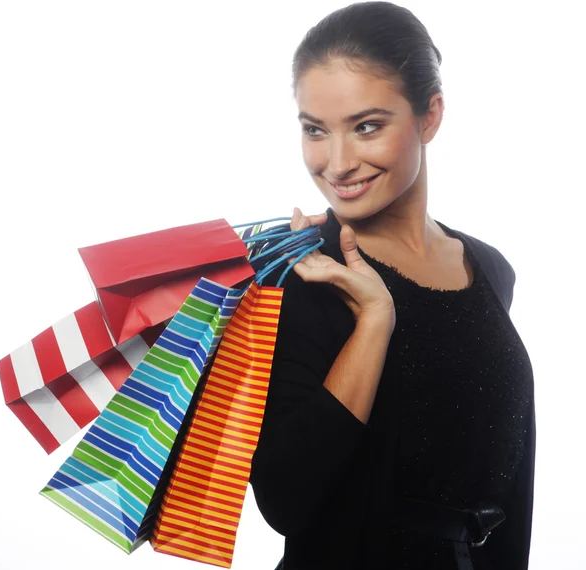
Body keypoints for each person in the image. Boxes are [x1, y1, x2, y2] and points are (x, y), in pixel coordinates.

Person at [249, 2, 536, 569]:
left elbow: (501, 485)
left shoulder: (490, 269)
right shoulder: (298, 275)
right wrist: (374, 322)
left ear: (430, 116)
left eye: (367, 126)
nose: (337, 163)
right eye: (315, 130)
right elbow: (285, 500)